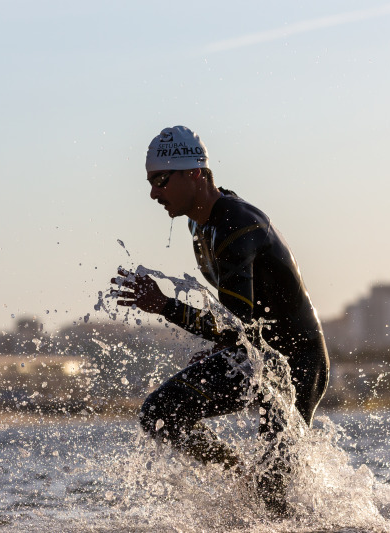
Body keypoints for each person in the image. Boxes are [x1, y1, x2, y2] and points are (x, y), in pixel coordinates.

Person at [111, 125, 329, 514]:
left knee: (275, 494)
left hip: (296, 362)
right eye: (150, 182)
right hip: (257, 356)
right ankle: (241, 475)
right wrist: (219, 348)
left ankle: (280, 500)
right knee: (160, 414)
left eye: (160, 181)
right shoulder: (200, 222)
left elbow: (237, 326)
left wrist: (163, 305)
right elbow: (242, 316)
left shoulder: (234, 225)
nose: (153, 193)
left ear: (194, 173)